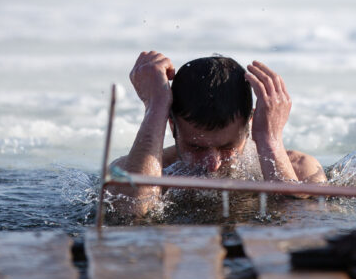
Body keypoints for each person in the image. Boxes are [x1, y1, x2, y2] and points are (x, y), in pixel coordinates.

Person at [107, 51, 326, 215]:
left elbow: (302, 226)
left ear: (250, 124)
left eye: (227, 147)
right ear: (172, 127)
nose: (213, 164)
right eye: (196, 147)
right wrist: (155, 108)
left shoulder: (300, 170)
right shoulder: (140, 170)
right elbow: (129, 214)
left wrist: (270, 141)